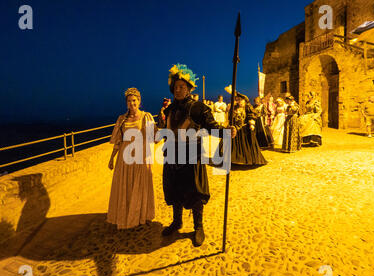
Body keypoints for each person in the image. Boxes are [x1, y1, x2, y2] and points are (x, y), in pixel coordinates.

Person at [159, 64, 236, 247]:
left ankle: (198, 227)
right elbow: (166, 130)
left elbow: (212, 128)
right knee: (175, 191)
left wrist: (227, 131)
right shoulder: (168, 110)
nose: (178, 90)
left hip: (192, 158)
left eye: (182, 87)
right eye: (175, 87)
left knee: (195, 193)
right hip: (171, 157)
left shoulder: (199, 108)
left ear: (188, 89)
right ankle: (177, 222)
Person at [107, 88, 157, 230]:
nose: (132, 103)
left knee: (141, 186)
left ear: (139, 102)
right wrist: (111, 159)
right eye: (129, 101)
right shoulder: (121, 119)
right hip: (125, 158)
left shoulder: (146, 117)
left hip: (141, 157)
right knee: (126, 186)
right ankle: (126, 215)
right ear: (126, 103)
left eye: (134, 100)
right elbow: (118, 141)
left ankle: (143, 215)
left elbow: (155, 137)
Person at [220, 86, 267, 166]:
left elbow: (251, 115)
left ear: (244, 100)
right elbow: (230, 116)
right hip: (234, 129)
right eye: (237, 100)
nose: (238, 101)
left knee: (245, 146)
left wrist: (251, 123)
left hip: (244, 129)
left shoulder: (247, 107)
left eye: (240, 100)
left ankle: (245, 159)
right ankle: (232, 159)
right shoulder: (234, 107)